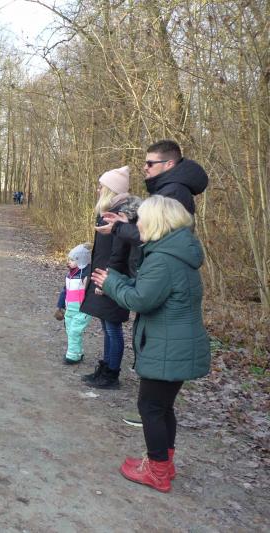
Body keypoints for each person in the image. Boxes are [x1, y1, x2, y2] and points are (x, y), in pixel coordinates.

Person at [91, 195, 210, 493]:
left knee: (150, 407)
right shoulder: (174, 254)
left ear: (156, 222)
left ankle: (157, 471)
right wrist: (117, 281)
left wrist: (111, 284)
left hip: (169, 345)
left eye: (141, 219)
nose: (138, 224)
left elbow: (140, 300)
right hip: (176, 343)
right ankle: (163, 463)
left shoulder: (163, 260)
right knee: (162, 406)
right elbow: (149, 289)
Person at [80, 166, 140, 389]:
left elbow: (119, 252)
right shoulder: (111, 211)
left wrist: (108, 281)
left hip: (113, 278)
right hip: (103, 275)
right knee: (107, 326)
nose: (97, 190)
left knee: (113, 328)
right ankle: (105, 368)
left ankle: (111, 374)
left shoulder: (122, 215)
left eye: (101, 186)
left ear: (110, 190)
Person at [102, 140, 208, 237]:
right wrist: (127, 222)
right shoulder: (166, 189)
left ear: (169, 164)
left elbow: (158, 237)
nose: (145, 167)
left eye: (150, 164)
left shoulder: (174, 192)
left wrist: (119, 227)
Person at [55, 244, 92, 364]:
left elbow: (91, 291)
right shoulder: (70, 275)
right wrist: (60, 306)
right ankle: (78, 352)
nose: (69, 262)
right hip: (70, 308)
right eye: (69, 259)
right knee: (69, 330)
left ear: (81, 260)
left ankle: (72, 356)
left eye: (72, 260)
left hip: (82, 309)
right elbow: (65, 291)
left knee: (75, 331)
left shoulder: (87, 275)